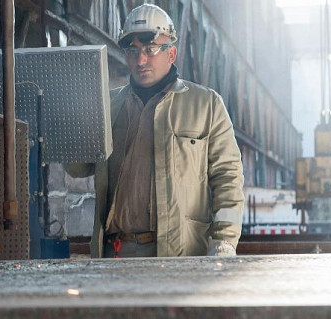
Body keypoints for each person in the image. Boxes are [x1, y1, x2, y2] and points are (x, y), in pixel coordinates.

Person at [66, 4, 244, 257]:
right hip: (115, 253)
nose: (140, 60)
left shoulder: (206, 105)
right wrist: (74, 115)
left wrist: (225, 241)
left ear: (171, 54)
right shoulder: (106, 106)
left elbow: (228, 178)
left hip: (180, 254)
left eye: (150, 50)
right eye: (133, 51)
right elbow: (77, 168)